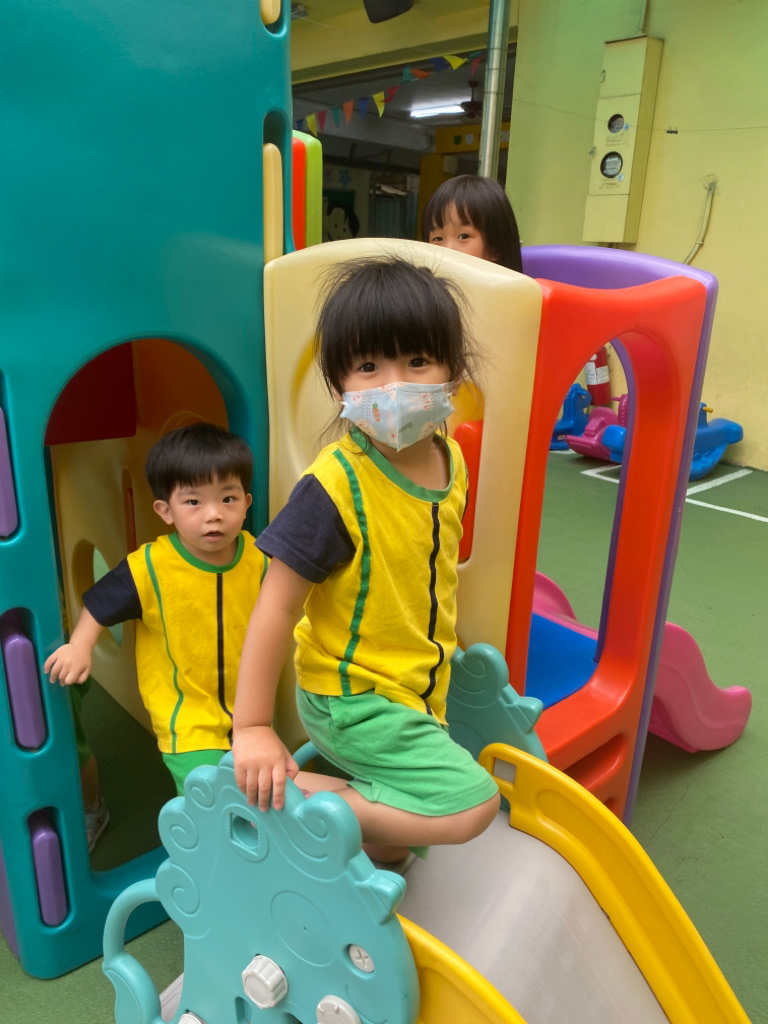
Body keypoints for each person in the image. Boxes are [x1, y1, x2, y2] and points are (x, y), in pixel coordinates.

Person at [232, 255, 500, 867]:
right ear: (339, 387)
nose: (394, 386)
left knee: (394, 849)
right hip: (352, 697)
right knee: (473, 806)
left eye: (417, 361)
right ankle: (302, 803)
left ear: (454, 371)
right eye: (369, 367)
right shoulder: (334, 487)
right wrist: (252, 727)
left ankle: (363, 827)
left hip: (413, 687)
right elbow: (276, 606)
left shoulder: (451, 460)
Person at [45, 422, 268, 795]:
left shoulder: (258, 558)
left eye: (228, 499)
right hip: (186, 715)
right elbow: (101, 603)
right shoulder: (150, 567)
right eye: (194, 502)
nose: (214, 514)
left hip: (249, 708)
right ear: (166, 511)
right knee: (208, 793)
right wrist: (80, 645)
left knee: (254, 788)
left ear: (246, 503)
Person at [421, 174, 523, 273]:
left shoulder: (518, 285)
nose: (447, 249)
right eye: (437, 239)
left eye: (463, 236)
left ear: (494, 249)